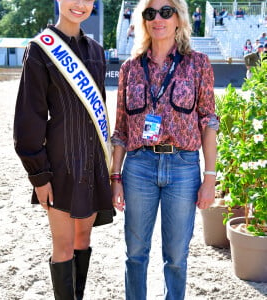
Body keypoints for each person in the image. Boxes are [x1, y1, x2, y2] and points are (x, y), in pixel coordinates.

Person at [110, 0, 219, 299]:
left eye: (165, 12)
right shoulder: (129, 69)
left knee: (176, 258)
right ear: (142, 21)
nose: (158, 19)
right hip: (139, 167)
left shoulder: (198, 64)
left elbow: (209, 121)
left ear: (179, 19)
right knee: (135, 254)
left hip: (183, 168)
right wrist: (115, 177)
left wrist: (209, 178)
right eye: (150, 13)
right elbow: (120, 128)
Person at [13, 0, 114, 299]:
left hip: (92, 162)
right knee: (63, 245)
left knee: (84, 237)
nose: (80, 4)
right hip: (60, 165)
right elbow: (29, 117)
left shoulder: (97, 51)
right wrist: (39, 175)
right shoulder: (40, 49)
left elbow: (101, 109)